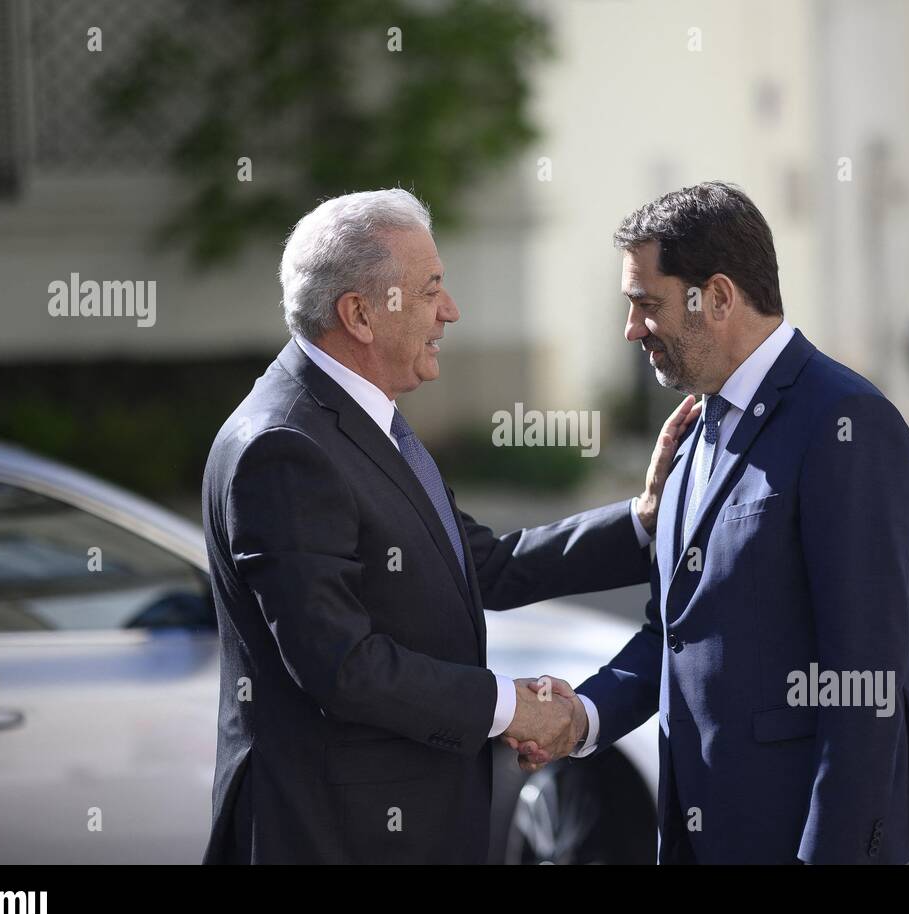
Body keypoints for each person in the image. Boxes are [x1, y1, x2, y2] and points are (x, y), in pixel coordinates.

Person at [201, 188, 696, 863]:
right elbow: (342, 666)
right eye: (432, 288)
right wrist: (508, 707)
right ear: (360, 315)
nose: (451, 311)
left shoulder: (354, 416)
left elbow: (480, 563)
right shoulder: (284, 447)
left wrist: (641, 521)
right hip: (334, 835)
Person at [519, 182, 909, 864]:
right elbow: (674, 635)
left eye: (645, 305)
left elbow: (865, 684)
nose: (632, 330)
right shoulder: (692, 426)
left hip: (796, 834)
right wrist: (583, 718)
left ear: (717, 297)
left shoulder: (845, 422)